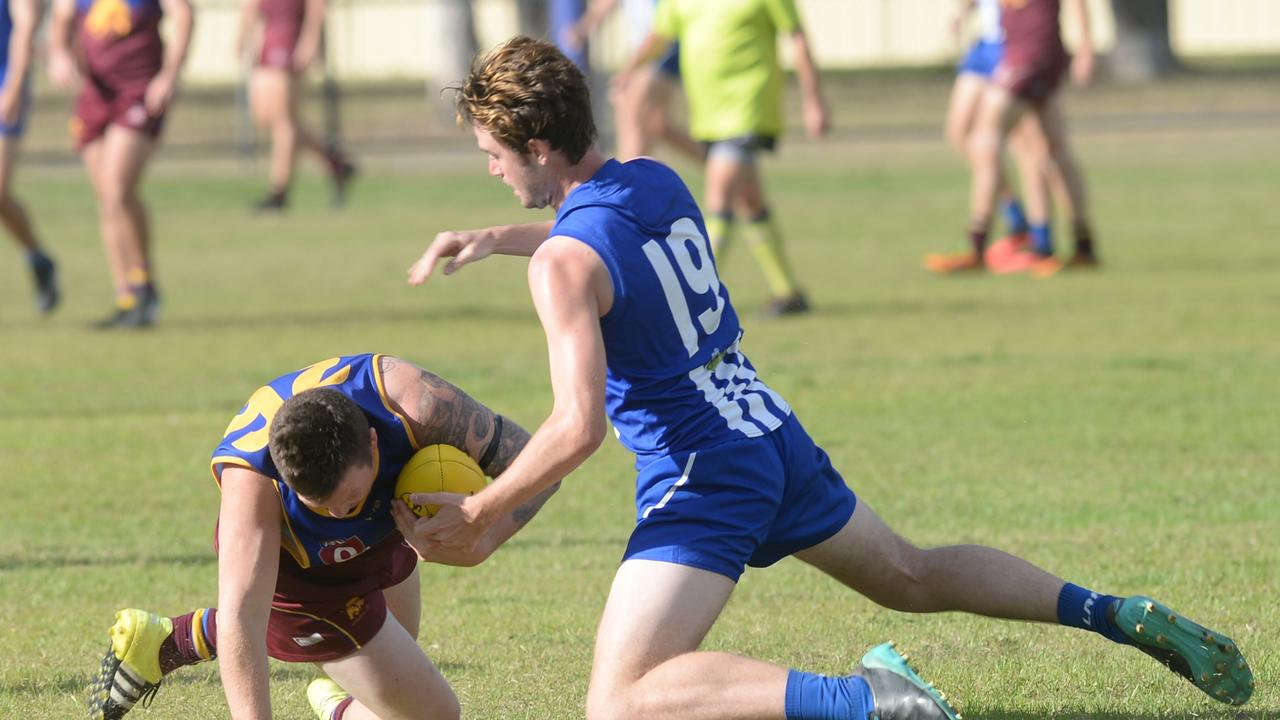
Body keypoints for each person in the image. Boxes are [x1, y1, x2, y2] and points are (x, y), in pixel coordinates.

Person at [405, 37, 1254, 719]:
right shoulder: (656, 182)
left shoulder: (561, 267)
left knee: (621, 700)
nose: (492, 170)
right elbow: (604, 238)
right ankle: (1110, 612)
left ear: (538, 145)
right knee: (912, 576)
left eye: (493, 154)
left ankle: (868, 701)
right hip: (767, 432)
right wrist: (493, 235)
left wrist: (480, 510)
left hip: (702, 471)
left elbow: (576, 427)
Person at [86, 353, 559, 720]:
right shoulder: (252, 482)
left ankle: (330, 694)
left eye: (350, 498)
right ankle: (181, 647)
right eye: (322, 506)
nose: (338, 513)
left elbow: (544, 467)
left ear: (374, 443)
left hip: (386, 536)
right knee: (434, 714)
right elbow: (242, 616)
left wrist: (482, 537)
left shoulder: (416, 404)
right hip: (306, 579)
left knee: (397, 673)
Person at [615, 0, 829, 316]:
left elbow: (797, 37)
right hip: (709, 114)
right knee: (748, 199)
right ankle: (788, 292)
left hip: (749, 107)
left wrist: (814, 101)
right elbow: (659, 38)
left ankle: (691, 298)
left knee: (719, 194)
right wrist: (629, 73)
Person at [925, 0, 1100, 278]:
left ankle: (979, 246)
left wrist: (1086, 46)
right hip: (1027, 52)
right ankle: (1080, 246)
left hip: (1030, 56)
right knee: (1051, 151)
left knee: (986, 141)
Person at [47, 0, 194, 328]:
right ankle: (126, 296)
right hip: (95, 94)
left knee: (117, 189)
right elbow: (60, 19)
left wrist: (170, 74)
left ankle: (144, 286)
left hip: (139, 91)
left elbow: (183, 15)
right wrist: (58, 53)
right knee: (107, 199)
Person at [236, 0, 356, 213]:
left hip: (290, 34)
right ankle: (335, 163)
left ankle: (279, 193)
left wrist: (310, 41)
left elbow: (317, 5)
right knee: (266, 116)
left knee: (283, 119)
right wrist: (243, 32)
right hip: (265, 34)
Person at [566, 0, 702, 162]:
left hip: (661, 49)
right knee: (655, 124)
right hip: (643, 51)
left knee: (633, 118)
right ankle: (722, 157)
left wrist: (629, 70)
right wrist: (584, 27)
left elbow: (659, 31)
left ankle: (631, 180)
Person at [1, 0, 58, 314]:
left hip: (4, 83)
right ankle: (39, 258)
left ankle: (36, 257)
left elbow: (26, 25)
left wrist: (15, 83)